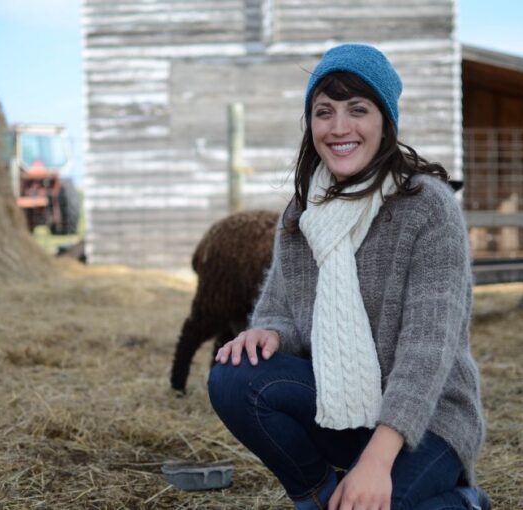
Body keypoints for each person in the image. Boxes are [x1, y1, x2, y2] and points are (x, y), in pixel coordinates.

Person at [207, 44, 490, 510]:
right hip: (339, 404)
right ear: (310, 124)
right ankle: (318, 496)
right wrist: (269, 333)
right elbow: (279, 311)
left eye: (357, 109)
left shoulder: (427, 207)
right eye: (324, 112)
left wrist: (376, 463)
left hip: (427, 419)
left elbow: (427, 351)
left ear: (385, 122)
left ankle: (464, 501)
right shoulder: (303, 213)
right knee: (233, 378)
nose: (339, 128)